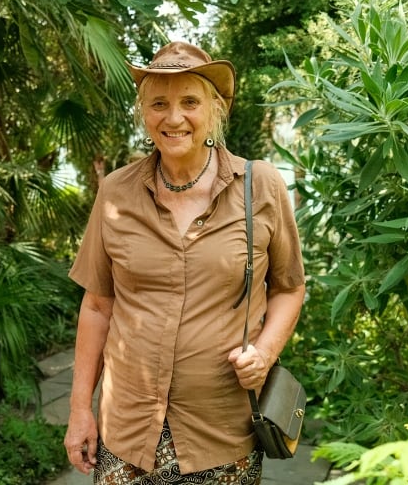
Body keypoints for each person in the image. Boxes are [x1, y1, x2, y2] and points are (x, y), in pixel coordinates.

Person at [63, 41, 306, 484]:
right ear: (144, 112)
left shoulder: (260, 186)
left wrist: (266, 352)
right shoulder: (116, 192)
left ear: (215, 109)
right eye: (159, 103)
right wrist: (80, 409)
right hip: (127, 434)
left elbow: (289, 287)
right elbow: (98, 306)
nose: (174, 118)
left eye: (189, 102)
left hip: (221, 433)